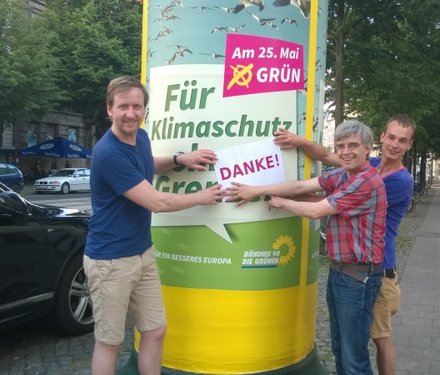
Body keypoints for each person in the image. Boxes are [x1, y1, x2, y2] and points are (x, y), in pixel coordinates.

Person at [84, 76, 223, 375]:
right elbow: (156, 202)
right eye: (123, 107)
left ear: (145, 109)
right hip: (110, 260)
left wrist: (178, 159)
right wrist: (201, 197)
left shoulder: (141, 137)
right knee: (109, 341)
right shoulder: (108, 153)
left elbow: (146, 163)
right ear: (110, 109)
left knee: (155, 330)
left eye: (137, 106)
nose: (131, 113)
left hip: (142, 252)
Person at [226, 120, 387, 375]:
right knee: (340, 348)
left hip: (358, 277)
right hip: (342, 272)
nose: (346, 151)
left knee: (354, 356)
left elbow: (315, 210)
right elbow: (301, 186)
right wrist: (257, 189)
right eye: (341, 146)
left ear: (367, 148)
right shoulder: (344, 175)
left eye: (353, 145)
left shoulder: (365, 181)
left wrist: (280, 202)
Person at [273, 114, 415, 375]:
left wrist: (285, 196)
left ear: (409, 145)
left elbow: (334, 199)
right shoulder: (367, 162)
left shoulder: (396, 181)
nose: (395, 144)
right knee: (347, 346)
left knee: (378, 342)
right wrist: (300, 141)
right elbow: (329, 157)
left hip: (379, 270)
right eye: (392, 137)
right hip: (351, 267)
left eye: (402, 141)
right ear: (381, 137)